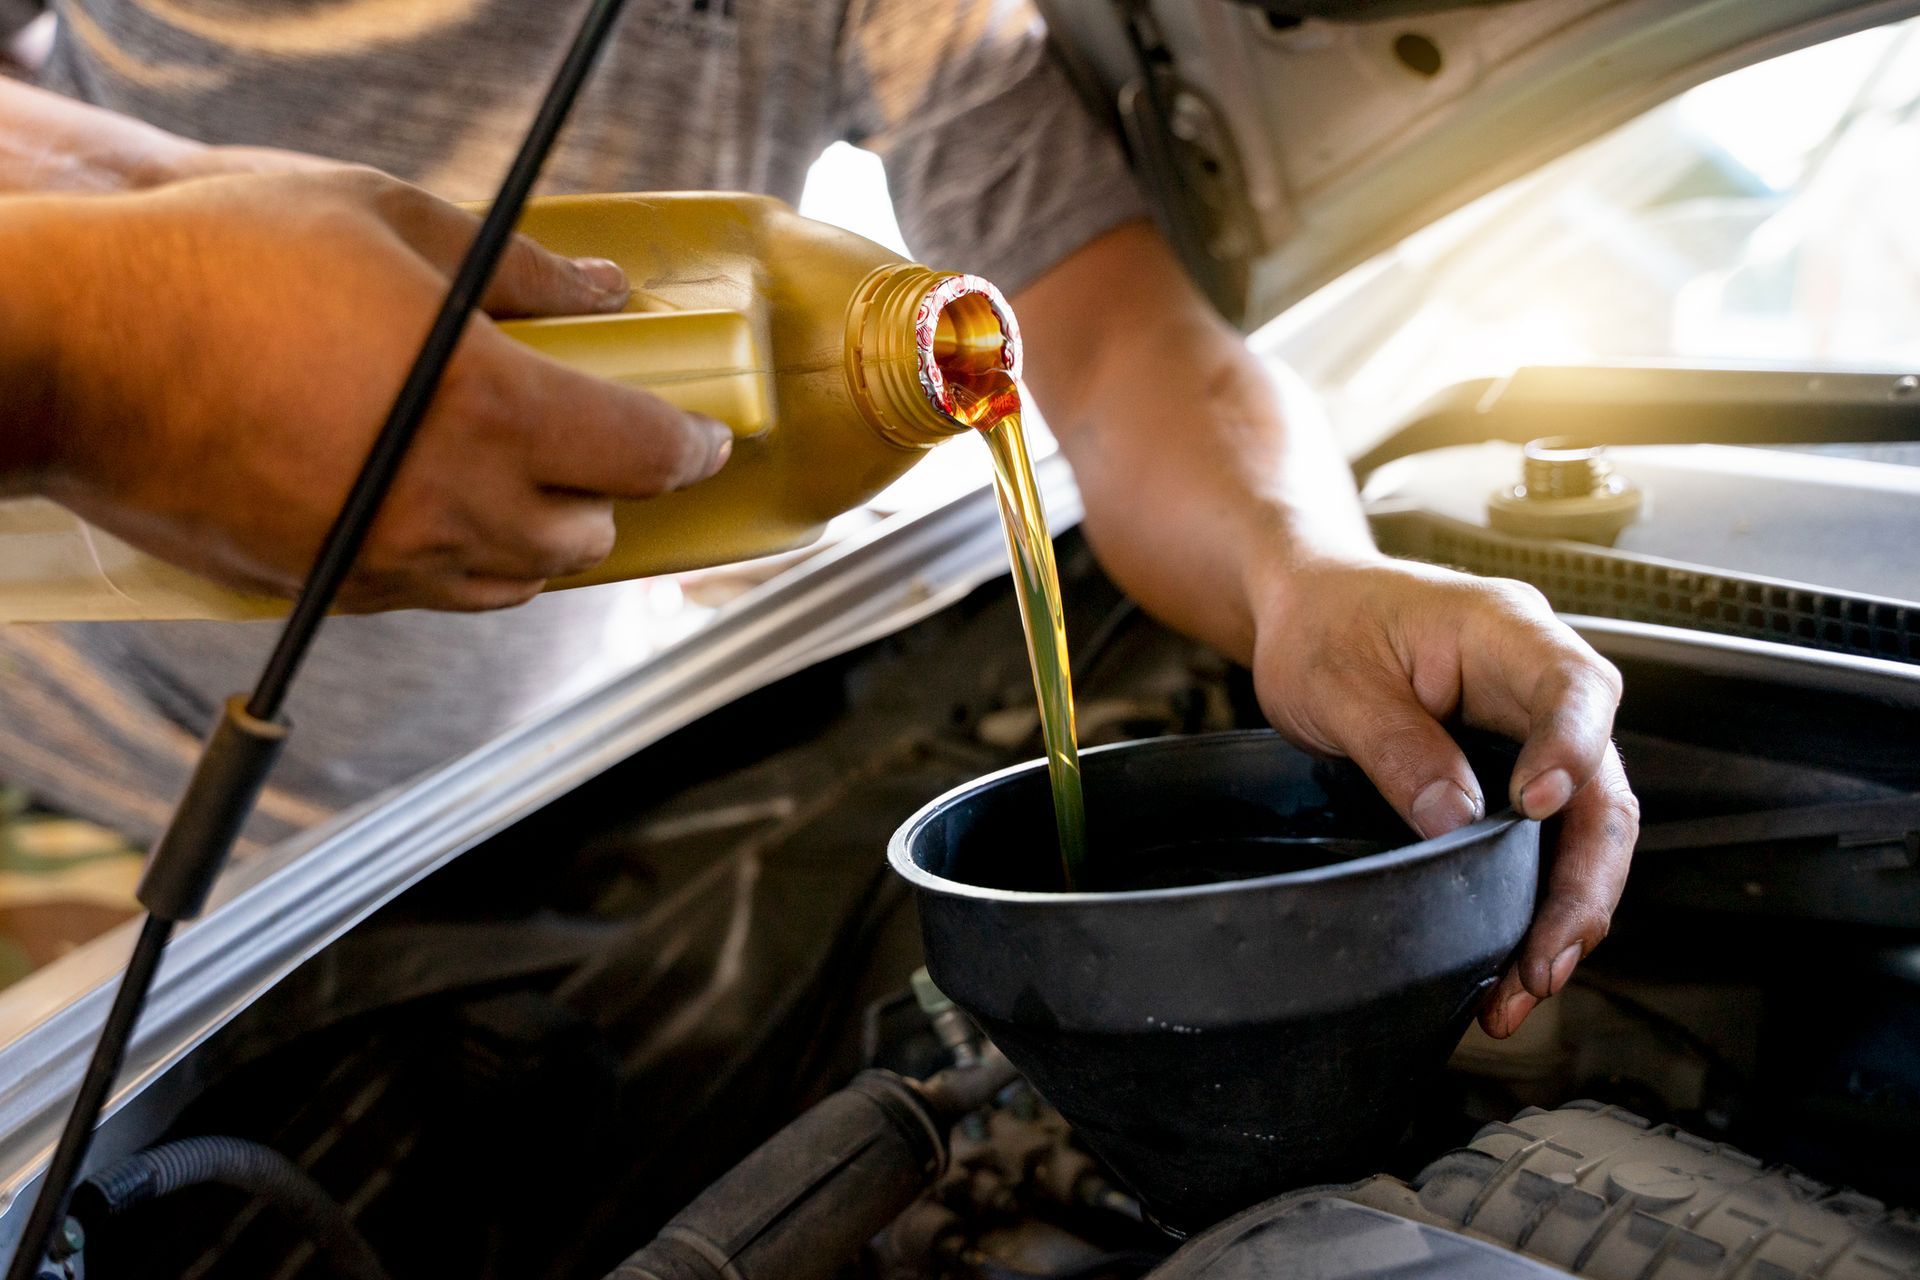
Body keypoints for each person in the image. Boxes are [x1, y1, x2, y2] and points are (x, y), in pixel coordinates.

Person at [0, 0, 1635, 1039]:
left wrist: (1308, 571)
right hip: (66, 757)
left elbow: (1120, 335)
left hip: (517, 777)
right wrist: (109, 326)